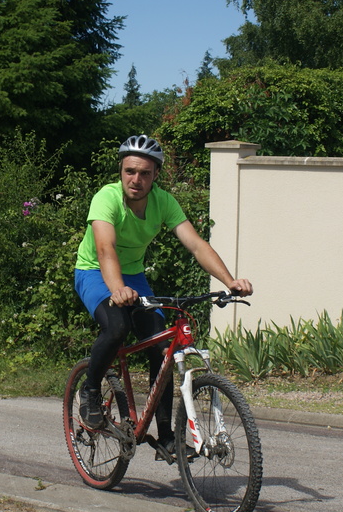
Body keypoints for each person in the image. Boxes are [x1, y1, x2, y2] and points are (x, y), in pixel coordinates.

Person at [73, 134, 253, 460]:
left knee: (162, 347)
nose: (136, 179)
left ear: (156, 174)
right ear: (121, 171)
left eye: (144, 173)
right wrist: (117, 289)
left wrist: (230, 281)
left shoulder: (164, 202)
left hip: (134, 277)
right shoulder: (107, 198)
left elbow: (196, 245)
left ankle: (167, 436)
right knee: (116, 327)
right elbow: (105, 248)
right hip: (95, 271)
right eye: (130, 171)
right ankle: (90, 390)